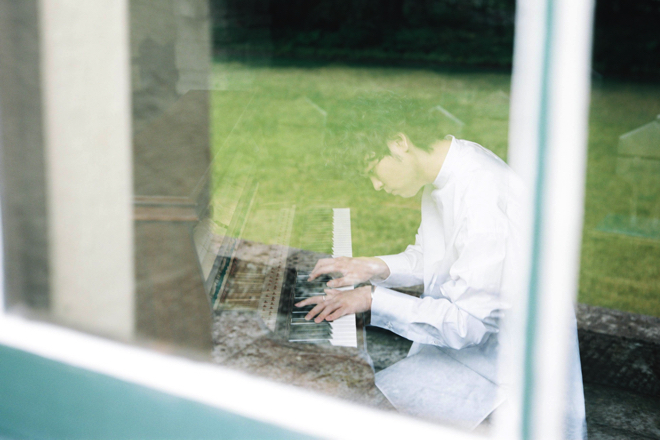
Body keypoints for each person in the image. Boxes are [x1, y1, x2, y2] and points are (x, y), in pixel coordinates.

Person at [294, 94, 587, 437]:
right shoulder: (451, 168)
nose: (376, 185)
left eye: (372, 170)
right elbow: (434, 257)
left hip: (510, 381)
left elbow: (468, 325)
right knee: (344, 407)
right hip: (471, 357)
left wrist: (371, 299)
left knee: (347, 417)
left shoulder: (483, 198)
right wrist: (371, 267)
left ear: (399, 142)